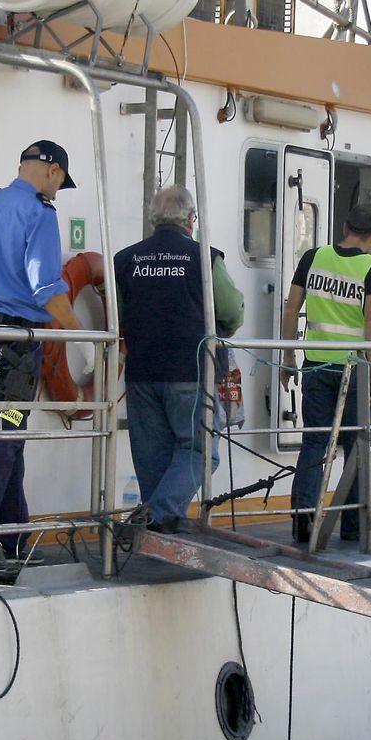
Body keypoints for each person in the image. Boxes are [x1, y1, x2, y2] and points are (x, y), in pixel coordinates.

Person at [0, 140, 83, 577]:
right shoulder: (39, 214)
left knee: (8, 436)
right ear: (51, 171)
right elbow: (47, 287)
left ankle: (11, 539)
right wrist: (86, 336)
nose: (58, 191)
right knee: (4, 437)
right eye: (61, 182)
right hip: (12, 345)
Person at [115, 185, 245, 533]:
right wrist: (226, 327)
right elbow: (232, 311)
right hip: (192, 370)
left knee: (152, 456)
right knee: (202, 450)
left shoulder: (126, 260)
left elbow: (116, 317)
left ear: (153, 218)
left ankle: (157, 529)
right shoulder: (204, 257)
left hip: (141, 373)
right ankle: (159, 515)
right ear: (190, 219)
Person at [280, 202, 371, 546]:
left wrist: (287, 357)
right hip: (353, 370)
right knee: (357, 444)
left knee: (315, 441)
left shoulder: (313, 257)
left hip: (315, 364)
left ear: (345, 227)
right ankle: (354, 525)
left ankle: (303, 520)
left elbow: (291, 307)